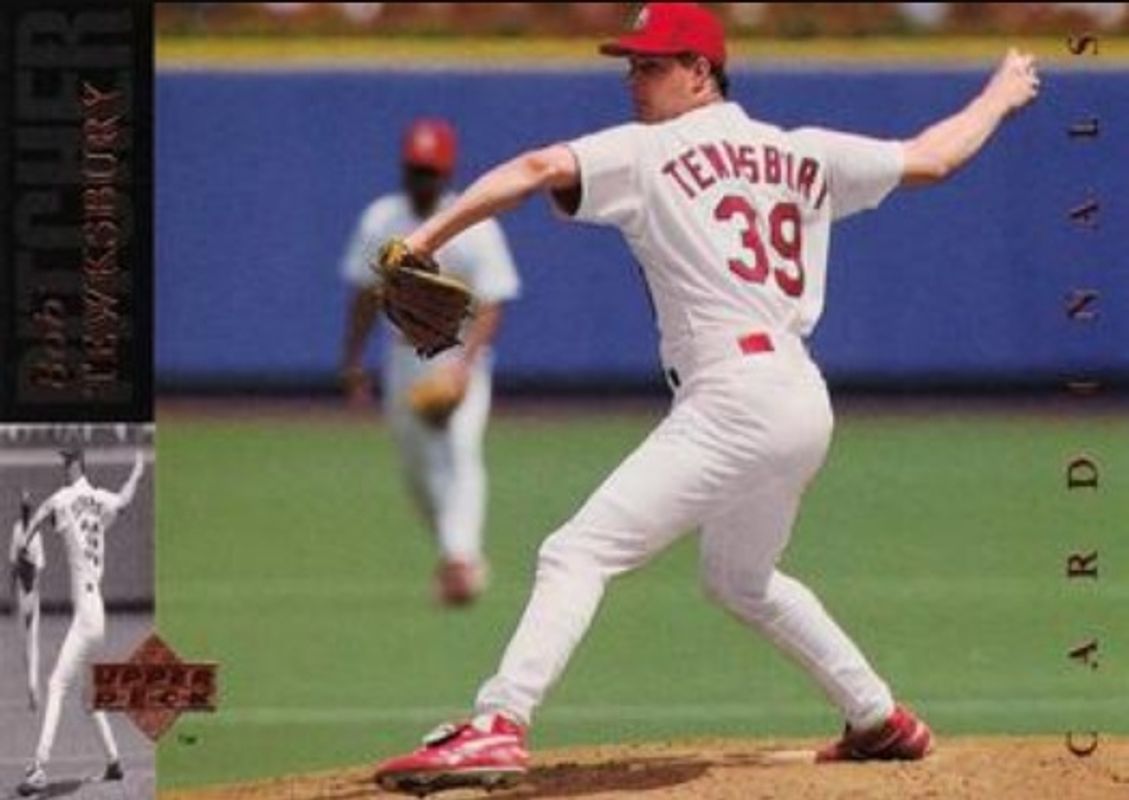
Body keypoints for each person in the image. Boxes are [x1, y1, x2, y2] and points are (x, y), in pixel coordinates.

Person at [372, 3, 1040, 793]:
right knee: (740, 578)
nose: (634, 79)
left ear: (699, 71)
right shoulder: (802, 151)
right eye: (631, 65)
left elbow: (533, 168)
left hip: (731, 396)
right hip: (799, 399)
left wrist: (425, 240)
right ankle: (876, 717)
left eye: (651, 65)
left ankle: (497, 722)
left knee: (575, 552)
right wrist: (999, 94)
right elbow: (933, 158)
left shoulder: (647, 151)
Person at [340, 118, 521, 606]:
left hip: (458, 355)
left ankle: (461, 560)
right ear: (404, 170)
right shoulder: (382, 219)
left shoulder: (474, 221)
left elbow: (493, 302)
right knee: (417, 472)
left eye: (431, 171)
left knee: (459, 450)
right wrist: (352, 361)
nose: (423, 179)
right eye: (416, 169)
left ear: (448, 173)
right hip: (402, 357)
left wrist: (463, 369)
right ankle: (454, 549)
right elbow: (364, 294)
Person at [16, 448, 146, 796]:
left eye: (66, 461)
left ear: (77, 464)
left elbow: (40, 517)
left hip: (87, 614)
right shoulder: (100, 500)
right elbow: (124, 501)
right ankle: (114, 762)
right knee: (88, 697)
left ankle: (39, 767)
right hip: (96, 612)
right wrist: (136, 472)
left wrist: (24, 544)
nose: (63, 466)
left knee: (56, 684)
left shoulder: (63, 497)